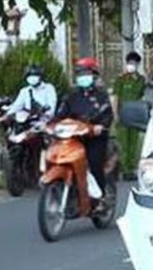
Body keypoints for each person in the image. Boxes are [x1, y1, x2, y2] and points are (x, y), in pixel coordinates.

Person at [55, 57, 114, 196]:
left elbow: (108, 115)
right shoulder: (71, 96)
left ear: (94, 75)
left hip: (95, 137)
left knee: (94, 164)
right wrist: (52, 125)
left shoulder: (101, 96)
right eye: (80, 74)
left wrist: (100, 126)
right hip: (74, 136)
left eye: (86, 74)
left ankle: (101, 197)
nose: (83, 77)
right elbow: (60, 114)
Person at [111, 52, 147, 179]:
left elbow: (142, 96)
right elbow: (116, 97)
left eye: (134, 63)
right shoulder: (121, 79)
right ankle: (125, 170)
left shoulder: (141, 80)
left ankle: (132, 169)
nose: (132, 65)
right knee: (123, 143)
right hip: (123, 115)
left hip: (135, 115)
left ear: (138, 64)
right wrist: (115, 114)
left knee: (134, 143)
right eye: (130, 63)